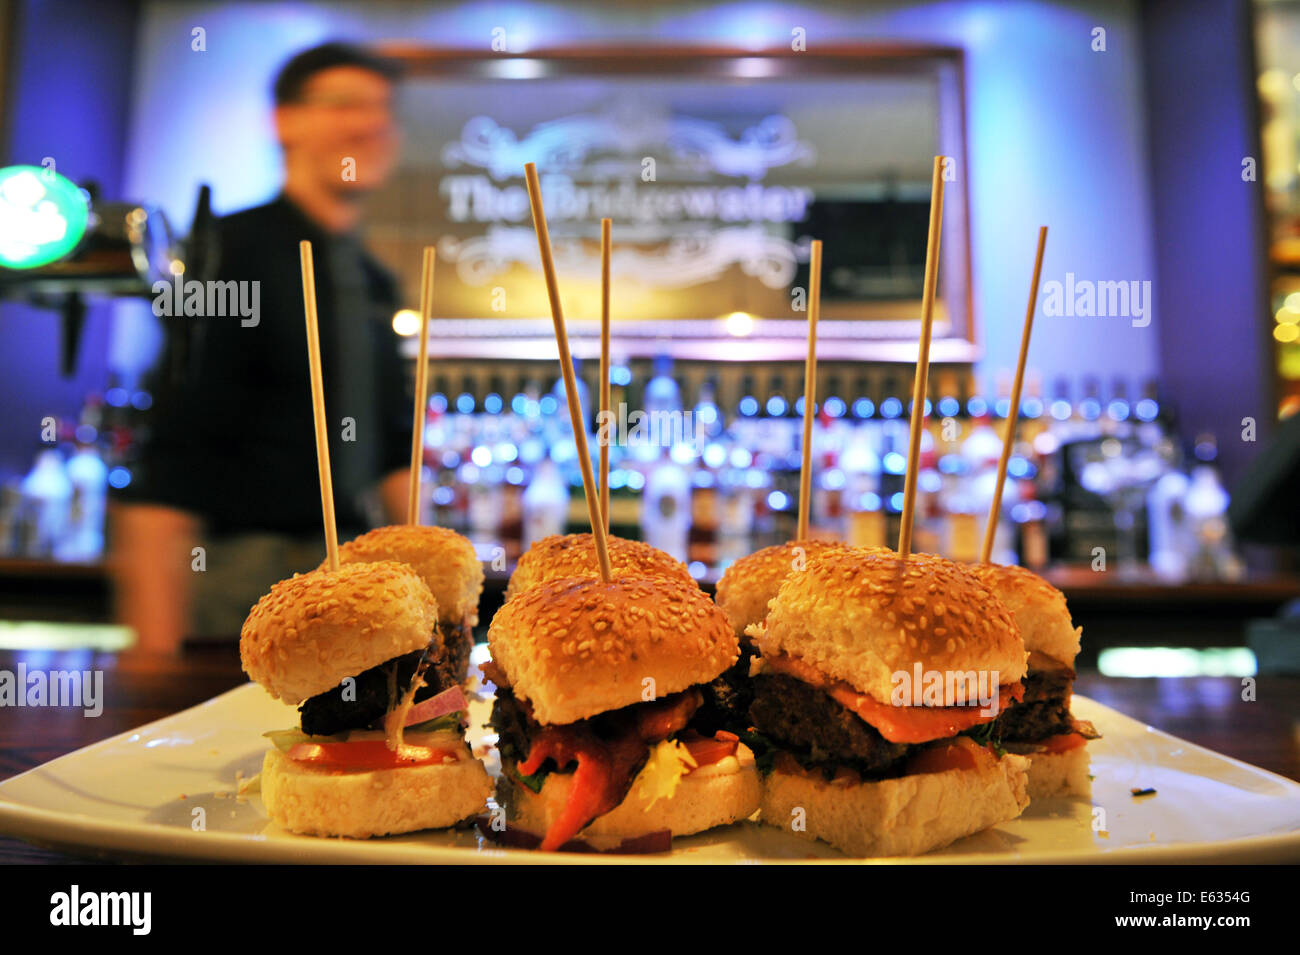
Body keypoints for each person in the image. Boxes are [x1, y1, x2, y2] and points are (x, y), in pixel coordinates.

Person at [112, 42, 413, 653]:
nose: (370, 123)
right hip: (243, 588)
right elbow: (173, 456)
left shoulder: (373, 280)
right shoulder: (227, 252)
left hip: (353, 582)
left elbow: (391, 455)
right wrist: (154, 664)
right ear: (285, 121)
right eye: (344, 103)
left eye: (382, 108)